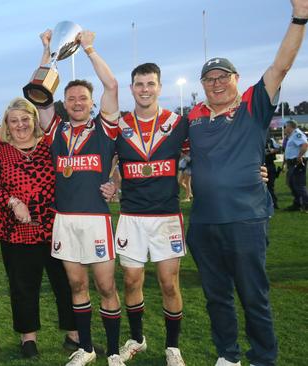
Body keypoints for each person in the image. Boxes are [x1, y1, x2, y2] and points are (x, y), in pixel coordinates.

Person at [186, 2, 307, 364]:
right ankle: (227, 354)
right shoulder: (192, 117)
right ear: (202, 86)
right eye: (210, 79)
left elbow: (280, 66)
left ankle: (263, 357)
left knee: (253, 295)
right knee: (216, 295)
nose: (217, 83)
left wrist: (299, 17)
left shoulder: (254, 104)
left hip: (245, 219)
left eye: (224, 76)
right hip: (204, 223)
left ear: (237, 79)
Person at [36, 29, 124, 366]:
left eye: (82, 99)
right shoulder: (55, 129)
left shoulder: (104, 127)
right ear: (65, 102)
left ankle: (114, 352)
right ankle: (85, 348)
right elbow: (40, 92)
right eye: (71, 99)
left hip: (96, 219)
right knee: (76, 286)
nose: (76, 103)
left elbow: (112, 86)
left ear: (91, 102)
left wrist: (89, 48)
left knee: (105, 287)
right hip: (65, 219)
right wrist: (48, 52)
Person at [0, 97, 78, 359]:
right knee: (23, 286)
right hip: (16, 232)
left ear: (34, 120)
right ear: (7, 125)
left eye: (25, 119)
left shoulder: (50, 146)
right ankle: (28, 339)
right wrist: (12, 202)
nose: (20, 125)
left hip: (55, 228)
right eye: (14, 121)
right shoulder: (0, 152)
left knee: (66, 282)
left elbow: (74, 173)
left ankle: (74, 336)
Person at [110, 63, 187, 366]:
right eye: (139, 84)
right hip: (131, 216)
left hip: (167, 216)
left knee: (169, 283)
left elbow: (212, 151)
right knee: (131, 281)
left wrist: (252, 170)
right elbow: (106, 162)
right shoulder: (119, 126)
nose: (145, 89)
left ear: (159, 87)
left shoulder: (177, 123)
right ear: (131, 88)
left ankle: (173, 347)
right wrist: (109, 182)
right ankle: (137, 338)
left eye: (150, 84)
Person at [282, 119, 308, 211]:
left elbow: (305, 144)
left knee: (299, 184)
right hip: (292, 162)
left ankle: (306, 204)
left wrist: (299, 156)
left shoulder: (297, 134)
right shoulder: (291, 136)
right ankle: (297, 204)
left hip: (297, 162)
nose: (285, 128)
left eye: (286, 126)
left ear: (290, 127)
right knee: (292, 183)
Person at [265, 131, 282, 209]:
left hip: (270, 164)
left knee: (270, 186)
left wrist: (272, 151)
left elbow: (278, 148)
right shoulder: (255, 139)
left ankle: (274, 203)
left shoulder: (271, 140)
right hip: (261, 165)